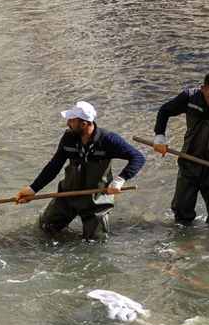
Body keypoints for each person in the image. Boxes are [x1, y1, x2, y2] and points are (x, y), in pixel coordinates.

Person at [16, 101, 145, 241]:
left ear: (84, 124)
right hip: (68, 195)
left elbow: (138, 157)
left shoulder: (109, 140)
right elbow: (54, 166)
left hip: (97, 201)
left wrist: (120, 179)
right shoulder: (68, 138)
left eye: (71, 120)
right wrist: (32, 189)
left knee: (94, 243)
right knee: (44, 229)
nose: (67, 123)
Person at [152, 71, 209, 227]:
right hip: (189, 163)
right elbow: (164, 111)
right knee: (182, 216)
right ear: (203, 88)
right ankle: (184, 244)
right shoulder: (189, 98)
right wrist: (160, 136)